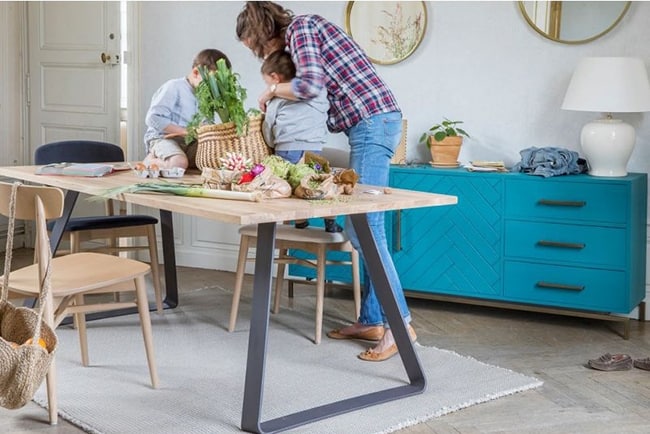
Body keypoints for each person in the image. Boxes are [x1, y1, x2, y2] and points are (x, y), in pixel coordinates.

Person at [236, 1, 414, 362]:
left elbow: (309, 86)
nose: (262, 54)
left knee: (365, 225)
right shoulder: (306, 30)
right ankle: (372, 320)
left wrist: (271, 93)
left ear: (262, 31)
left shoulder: (300, 29)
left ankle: (401, 326)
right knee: (361, 226)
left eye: (256, 47)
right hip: (370, 124)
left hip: (373, 123)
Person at [260, 49, 342, 233]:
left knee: (291, 186)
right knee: (317, 183)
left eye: (267, 82)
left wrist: (272, 144)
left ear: (275, 78)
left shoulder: (276, 100)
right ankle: (330, 222)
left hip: (288, 149)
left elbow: (268, 126)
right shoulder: (318, 93)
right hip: (315, 149)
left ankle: (300, 221)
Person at [143, 48, 231, 170]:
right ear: (196, 73)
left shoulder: (207, 97)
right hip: (163, 138)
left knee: (215, 159)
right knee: (178, 163)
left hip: (190, 142)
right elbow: (153, 118)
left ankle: (179, 161)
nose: (214, 87)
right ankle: (150, 161)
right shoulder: (174, 87)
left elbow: (206, 123)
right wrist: (185, 131)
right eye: (211, 81)